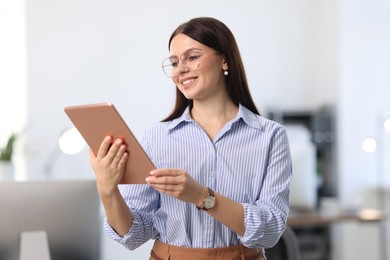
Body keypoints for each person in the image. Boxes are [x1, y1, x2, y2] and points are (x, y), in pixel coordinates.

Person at [90, 17, 292, 260]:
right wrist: (107, 189)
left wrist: (201, 196)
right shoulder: (157, 136)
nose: (180, 70)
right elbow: (134, 235)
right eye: (175, 62)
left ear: (224, 60)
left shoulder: (270, 136)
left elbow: (270, 231)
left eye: (192, 57)